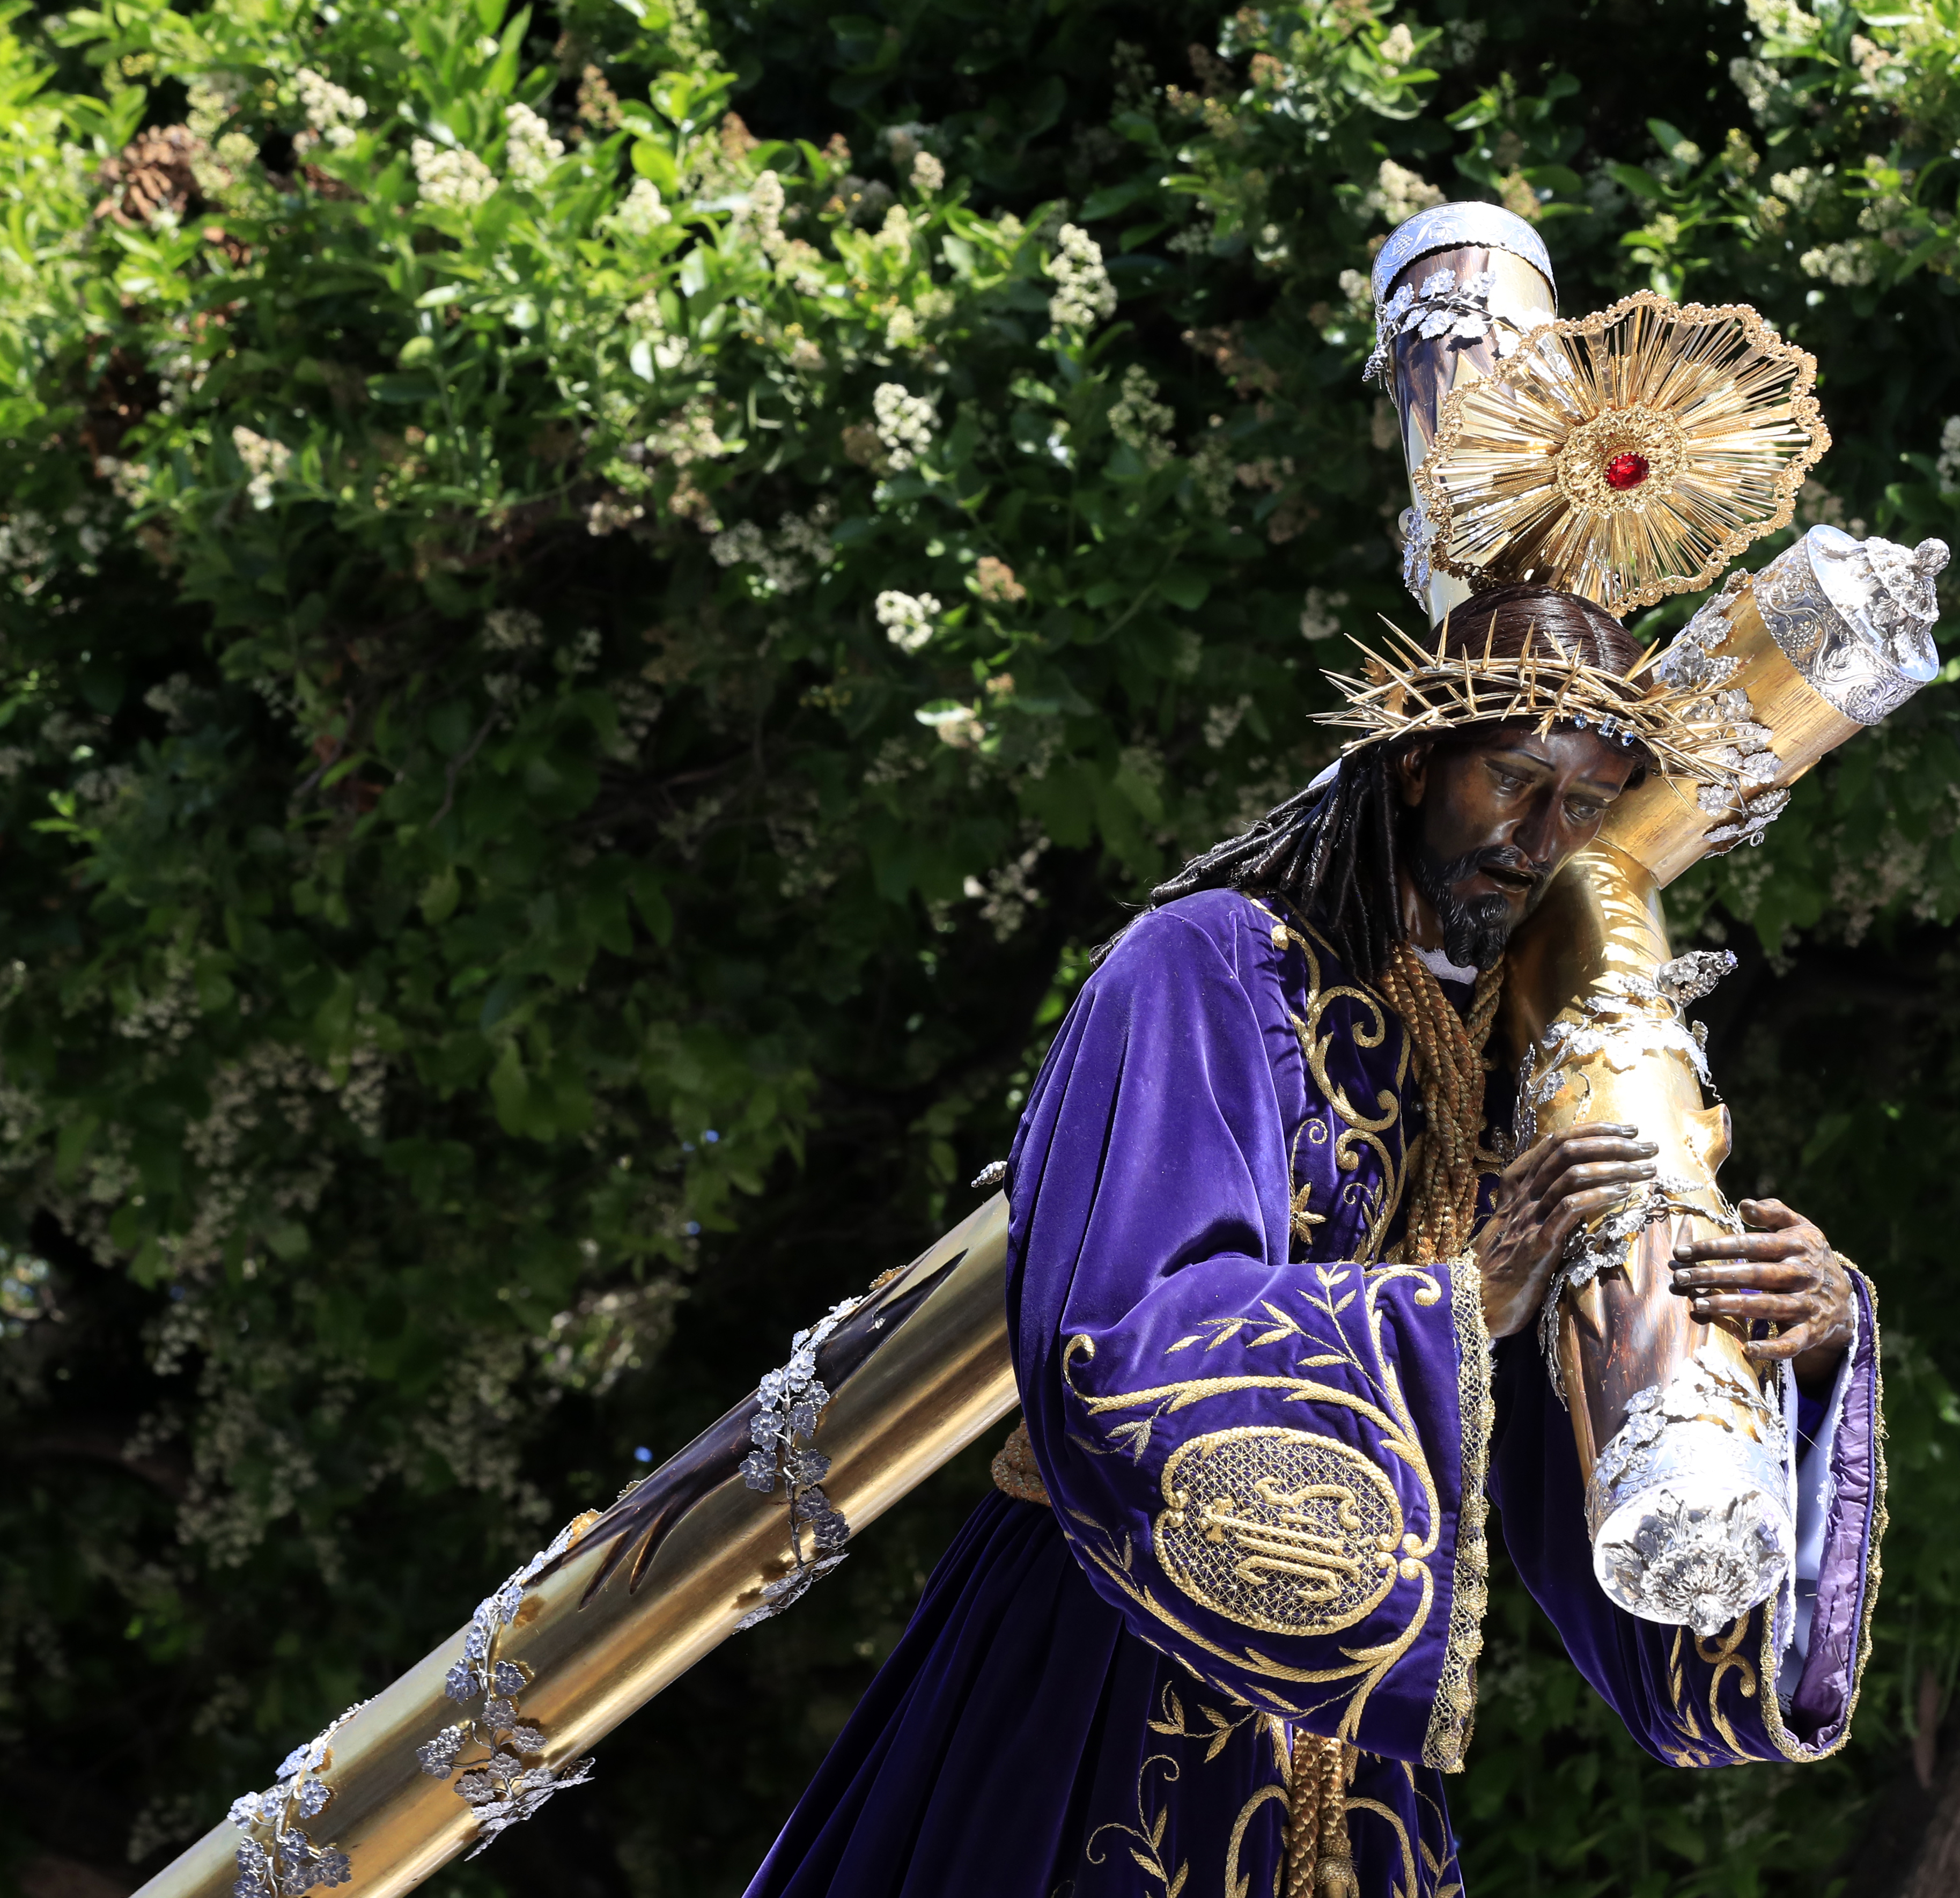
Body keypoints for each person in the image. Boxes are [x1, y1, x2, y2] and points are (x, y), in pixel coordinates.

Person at [741, 583, 1884, 1898]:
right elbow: (1110, 1344)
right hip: (1110, 1663)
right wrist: (1466, 1298)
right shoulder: (1204, 966)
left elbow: (1586, 1470)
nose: (1540, 839)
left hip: (1357, 1748)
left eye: (1584, 803)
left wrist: (1785, 1338)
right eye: (1512, 780)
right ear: (1413, 767)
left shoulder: (1498, 1072)